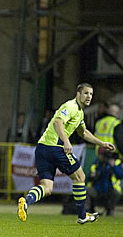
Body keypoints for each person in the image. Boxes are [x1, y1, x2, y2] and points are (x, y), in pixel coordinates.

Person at [17, 83, 115, 224]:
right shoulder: (70, 107)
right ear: (78, 94)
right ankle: (82, 216)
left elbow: (83, 132)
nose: (89, 97)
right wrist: (66, 141)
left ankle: (25, 202)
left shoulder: (79, 112)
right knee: (80, 176)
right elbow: (58, 122)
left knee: (47, 187)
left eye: (91, 94)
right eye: (86, 93)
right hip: (55, 147)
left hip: (42, 149)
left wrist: (102, 143)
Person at [86, 147, 123, 216]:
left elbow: (120, 175)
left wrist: (113, 166)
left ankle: (110, 211)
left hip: (109, 190)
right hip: (97, 190)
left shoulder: (115, 163)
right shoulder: (97, 164)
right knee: (86, 190)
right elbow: (89, 178)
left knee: (116, 193)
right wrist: (94, 175)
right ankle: (88, 211)